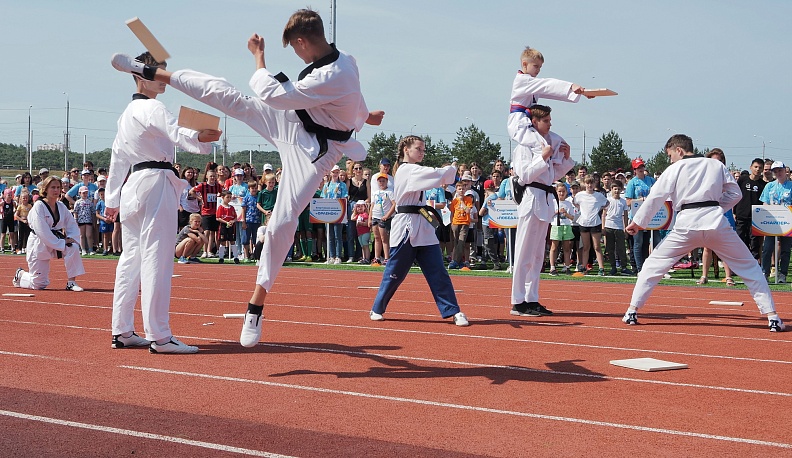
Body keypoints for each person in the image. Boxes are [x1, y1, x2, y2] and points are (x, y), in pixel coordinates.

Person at [111, 8, 384, 347]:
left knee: (283, 222)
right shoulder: (347, 61)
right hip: (294, 122)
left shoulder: (330, 75)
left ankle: (256, 304)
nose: (296, 55)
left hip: (315, 153)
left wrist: (259, 58)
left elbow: (274, 94)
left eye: (295, 49)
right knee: (234, 100)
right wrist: (365, 114)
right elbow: (354, 95)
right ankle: (155, 73)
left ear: (301, 41)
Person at [105, 51, 221, 354]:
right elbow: (177, 131)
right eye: (158, 74)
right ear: (141, 76)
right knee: (156, 257)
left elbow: (117, 160)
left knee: (131, 260)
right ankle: (159, 335)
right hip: (155, 182)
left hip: (134, 186)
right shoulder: (152, 107)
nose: (164, 80)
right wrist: (201, 139)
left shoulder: (125, 116)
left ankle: (123, 330)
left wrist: (111, 200)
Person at [623, 135, 785, 332]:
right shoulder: (716, 165)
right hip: (715, 222)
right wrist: (716, 206)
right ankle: (772, 316)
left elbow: (655, 197)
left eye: (670, 155)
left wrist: (638, 223)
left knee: (653, 265)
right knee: (749, 267)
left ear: (679, 151)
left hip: (686, 225)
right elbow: (736, 194)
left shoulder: (675, 168)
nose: (670, 159)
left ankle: (632, 310)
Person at [369, 135, 469, 326]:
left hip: (423, 225)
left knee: (438, 271)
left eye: (424, 150)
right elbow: (436, 175)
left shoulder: (415, 170)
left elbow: (436, 178)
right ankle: (377, 307)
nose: (422, 153)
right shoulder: (407, 171)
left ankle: (453, 310)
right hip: (406, 226)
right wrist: (452, 169)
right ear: (406, 150)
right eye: (418, 149)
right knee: (395, 271)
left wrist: (447, 172)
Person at [509, 105, 574, 317]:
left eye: (549, 119)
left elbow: (553, 175)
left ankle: (532, 298)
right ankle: (518, 301)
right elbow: (525, 175)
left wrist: (566, 158)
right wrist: (542, 157)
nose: (550, 123)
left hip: (545, 199)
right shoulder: (524, 148)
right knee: (523, 254)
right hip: (530, 199)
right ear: (534, 122)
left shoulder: (547, 144)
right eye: (546, 120)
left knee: (537, 256)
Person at [12, 176, 85, 291]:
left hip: (56, 240)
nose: (56, 190)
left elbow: (71, 225)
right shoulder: (38, 206)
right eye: (53, 187)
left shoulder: (61, 206)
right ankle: (21, 274)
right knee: (39, 284)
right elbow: (42, 232)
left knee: (73, 247)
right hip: (39, 243)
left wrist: (70, 238)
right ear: (45, 189)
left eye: (58, 187)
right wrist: (61, 242)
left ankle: (71, 282)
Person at [507, 46, 587, 146]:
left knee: (560, 144)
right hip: (519, 124)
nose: (538, 70)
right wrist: (571, 86)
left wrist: (580, 92)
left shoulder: (532, 84)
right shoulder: (522, 80)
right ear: (525, 64)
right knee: (542, 146)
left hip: (530, 122)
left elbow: (553, 92)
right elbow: (547, 84)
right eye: (536, 66)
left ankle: (554, 161)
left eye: (540, 67)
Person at [760, 161, 792, 283]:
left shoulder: (791, 185)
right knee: (767, 248)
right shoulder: (769, 186)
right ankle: (765, 272)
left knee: (785, 249)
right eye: (775, 171)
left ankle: (782, 274)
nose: (778, 173)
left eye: (780, 170)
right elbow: (765, 202)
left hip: (787, 222)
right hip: (772, 221)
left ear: (785, 171)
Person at [625, 157, 657, 272]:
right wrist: (640, 200)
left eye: (642, 167)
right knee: (638, 243)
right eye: (638, 168)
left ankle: (647, 267)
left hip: (650, 217)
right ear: (634, 169)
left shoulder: (651, 180)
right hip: (636, 217)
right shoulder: (632, 183)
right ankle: (639, 268)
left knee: (648, 242)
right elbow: (628, 201)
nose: (641, 169)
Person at [574, 174, 608, 275]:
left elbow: (606, 204)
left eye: (591, 183)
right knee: (585, 247)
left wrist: (598, 209)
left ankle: (601, 268)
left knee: (597, 246)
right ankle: (584, 267)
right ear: (585, 184)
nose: (589, 185)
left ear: (594, 184)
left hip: (595, 223)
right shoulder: (580, 195)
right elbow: (575, 203)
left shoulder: (599, 195)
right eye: (587, 183)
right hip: (584, 223)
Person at [734, 158, 766, 260]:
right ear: (750, 167)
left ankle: (754, 263)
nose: (757, 169)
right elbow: (736, 195)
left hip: (755, 217)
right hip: (741, 215)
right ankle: (739, 262)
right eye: (755, 167)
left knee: (754, 242)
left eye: (760, 168)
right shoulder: (743, 180)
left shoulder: (763, 185)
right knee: (740, 239)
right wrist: (734, 211)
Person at [321, 164, 348, 264]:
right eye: (334, 172)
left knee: (338, 235)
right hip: (328, 212)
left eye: (337, 172)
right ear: (330, 173)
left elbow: (345, 197)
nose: (335, 174)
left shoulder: (342, 185)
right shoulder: (326, 185)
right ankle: (331, 256)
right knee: (330, 235)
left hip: (338, 212)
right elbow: (323, 196)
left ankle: (338, 256)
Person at [547, 182, 576, 275]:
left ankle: (567, 266)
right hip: (556, 226)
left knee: (566, 248)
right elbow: (548, 215)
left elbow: (573, 217)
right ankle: (552, 267)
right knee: (554, 247)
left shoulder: (568, 203)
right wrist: (557, 212)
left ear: (566, 192)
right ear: (556, 191)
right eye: (559, 191)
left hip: (566, 226)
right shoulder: (553, 202)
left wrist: (566, 214)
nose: (561, 193)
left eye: (563, 191)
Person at [193, 169, 222, 258]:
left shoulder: (217, 186)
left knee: (213, 232)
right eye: (211, 176)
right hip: (206, 211)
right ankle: (204, 251)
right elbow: (191, 191)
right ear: (207, 177)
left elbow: (222, 193)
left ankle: (209, 251)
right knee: (206, 231)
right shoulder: (203, 185)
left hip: (215, 212)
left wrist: (219, 196)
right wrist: (199, 198)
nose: (212, 178)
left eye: (214, 176)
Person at [603, 181, 629, 276]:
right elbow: (603, 215)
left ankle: (624, 267)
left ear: (621, 190)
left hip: (619, 227)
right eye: (615, 189)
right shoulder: (608, 200)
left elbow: (625, 215)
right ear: (611, 190)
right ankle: (613, 267)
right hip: (609, 226)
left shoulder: (623, 201)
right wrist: (603, 227)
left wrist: (625, 228)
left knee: (621, 248)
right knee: (610, 248)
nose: (617, 191)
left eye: (618, 189)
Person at [370, 174, 395, 266]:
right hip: (375, 216)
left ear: (386, 181)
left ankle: (387, 257)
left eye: (383, 181)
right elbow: (372, 205)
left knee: (384, 238)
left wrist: (387, 215)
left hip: (383, 217)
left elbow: (394, 204)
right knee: (376, 238)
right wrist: (370, 217)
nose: (381, 183)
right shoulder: (376, 192)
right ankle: (376, 258)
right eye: (380, 181)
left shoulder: (390, 192)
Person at [479, 179, 503, 270]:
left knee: (488, 242)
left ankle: (495, 262)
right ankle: (485, 260)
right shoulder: (497, 196)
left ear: (485, 188)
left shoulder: (489, 198)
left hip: (487, 222)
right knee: (490, 242)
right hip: (494, 222)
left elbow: (481, 213)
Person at [216, 190, 242, 264]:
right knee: (223, 241)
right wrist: (226, 222)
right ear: (222, 197)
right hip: (223, 226)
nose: (229, 199)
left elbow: (235, 217)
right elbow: (218, 218)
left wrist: (232, 221)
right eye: (227, 197)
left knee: (232, 241)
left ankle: (236, 257)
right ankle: (221, 257)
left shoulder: (232, 208)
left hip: (231, 226)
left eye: (230, 197)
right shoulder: (221, 207)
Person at [72, 186, 96, 256]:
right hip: (81, 220)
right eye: (83, 193)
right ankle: (83, 249)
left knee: (89, 235)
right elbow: (75, 212)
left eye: (86, 193)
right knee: (82, 235)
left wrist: (93, 221)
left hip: (88, 220)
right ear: (80, 193)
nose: (85, 194)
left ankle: (90, 249)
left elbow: (93, 212)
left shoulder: (89, 202)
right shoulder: (78, 202)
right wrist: (76, 220)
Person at [351, 200, 371, 264]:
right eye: (358, 206)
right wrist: (354, 211)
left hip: (365, 232)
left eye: (361, 206)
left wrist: (361, 223)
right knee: (362, 246)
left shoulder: (365, 215)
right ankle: (364, 258)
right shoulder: (358, 215)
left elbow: (367, 223)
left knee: (365, 245)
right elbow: (352, 218)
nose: (359, 208)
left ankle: (367, 258)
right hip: (360, 233)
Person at [95, 188, 113, 255]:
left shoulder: (110, 202)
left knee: (111, 234)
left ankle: (111, 248)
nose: (103, 195)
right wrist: (103, 218)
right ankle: (105, 249)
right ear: (99, 195)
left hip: (110, 220)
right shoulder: (99, 203)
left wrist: (110, 218)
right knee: (105, 235)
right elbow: (97, 214)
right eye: (101, 194)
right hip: (103, 221)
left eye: (104, 194)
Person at [14, 190, 33, 255]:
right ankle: (19, 248)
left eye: (26, 198)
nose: (25, 199)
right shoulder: (20, 206)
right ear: (21, 199)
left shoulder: (30, 206)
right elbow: (16, 215)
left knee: (28, 236)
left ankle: (27, 248)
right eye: (23, 198)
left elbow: (32, 214)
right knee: (21, 236)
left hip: (28, 223)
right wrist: (22, 220)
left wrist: (28, 220)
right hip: (22, 222)